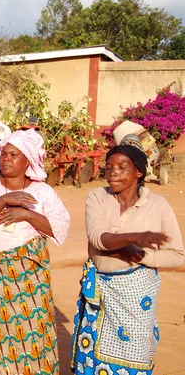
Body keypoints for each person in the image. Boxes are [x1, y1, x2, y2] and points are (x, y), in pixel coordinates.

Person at [0, 129, 70, 375]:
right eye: (4, 154)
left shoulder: (42, 192)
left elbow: (59, 228)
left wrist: (27, 214)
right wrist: (3, 201)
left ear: (27, 161)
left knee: (28, 338)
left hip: (27, 283)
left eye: (14, 155)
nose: (6, 159)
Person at [70, 138, 184, 375]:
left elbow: (177, 255)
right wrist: (132, 238)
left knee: (137, 356)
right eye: (109, 167)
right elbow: (98, 238)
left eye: (122, 167)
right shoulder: (97, 197)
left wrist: (141, 255)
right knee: (92, 360)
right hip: (100, 295)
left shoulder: (158, 205)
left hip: (137, 296)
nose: (113, 172)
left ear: (139, 172)